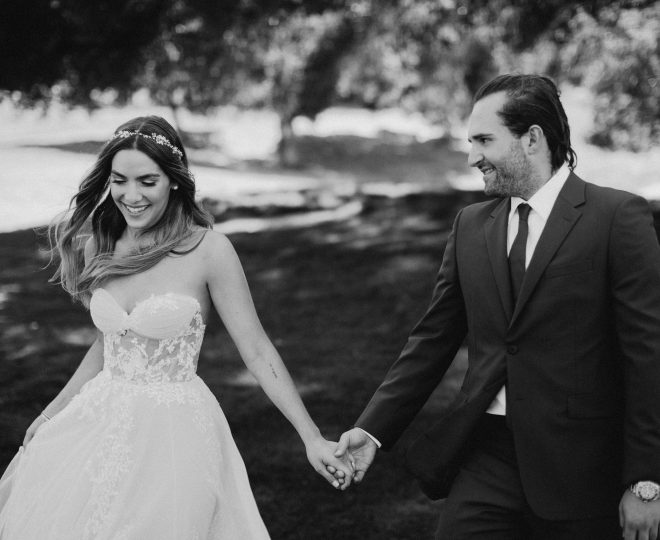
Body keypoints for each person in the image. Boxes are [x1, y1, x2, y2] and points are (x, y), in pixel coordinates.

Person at [335, 74, 660, 539]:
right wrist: (372, 430)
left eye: (485, 140)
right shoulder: (470, 225)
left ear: (532, 139)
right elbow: (432, 340)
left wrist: (646, 479)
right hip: (485, 458)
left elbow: (648, 354)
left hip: (584, 467)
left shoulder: (616, 218)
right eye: (471, 141)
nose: (472, 157)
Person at [0, 115, 352, 539]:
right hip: (100, 419)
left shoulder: (210, 251)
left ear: (174, 180)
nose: (131, 196)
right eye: (120, 180)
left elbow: (256, 350)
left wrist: (311, 436)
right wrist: (50, 412)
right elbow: (106, 345)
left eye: (147, 181)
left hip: (173, 431)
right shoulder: (101, 245)